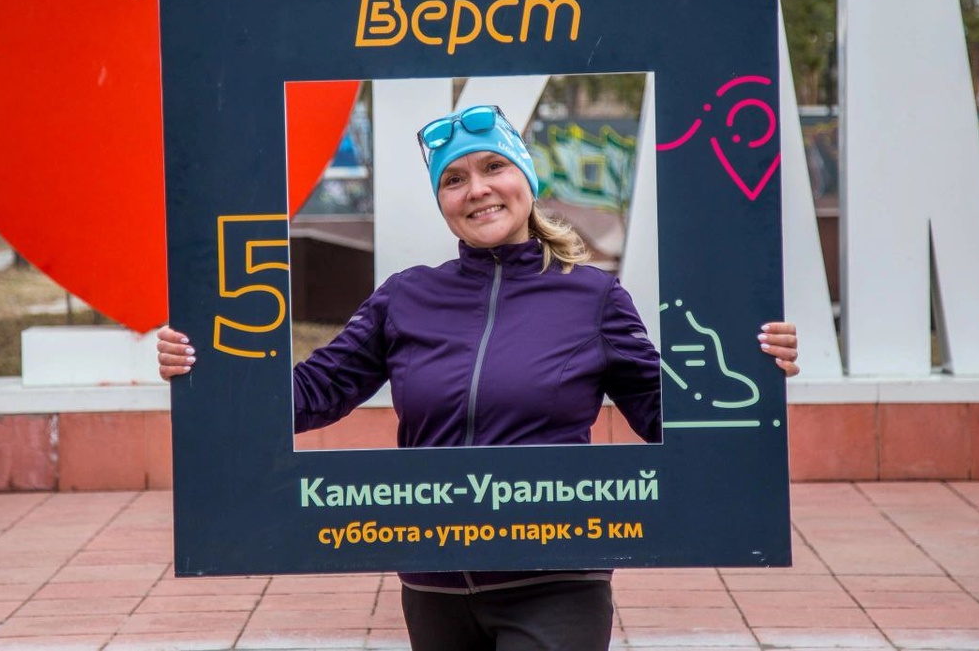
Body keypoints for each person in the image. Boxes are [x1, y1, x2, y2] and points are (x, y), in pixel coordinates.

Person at [158, 104, 800, 651]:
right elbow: (310, 394)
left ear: (526, 178)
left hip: (556, 580)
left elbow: (671, 415)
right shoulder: (404, 297)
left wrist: (754, 372)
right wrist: (208, 371)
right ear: (442, 201)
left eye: (494, 167)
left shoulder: (593, 297)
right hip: (432, 585)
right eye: (454, 179)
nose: (477, 189)